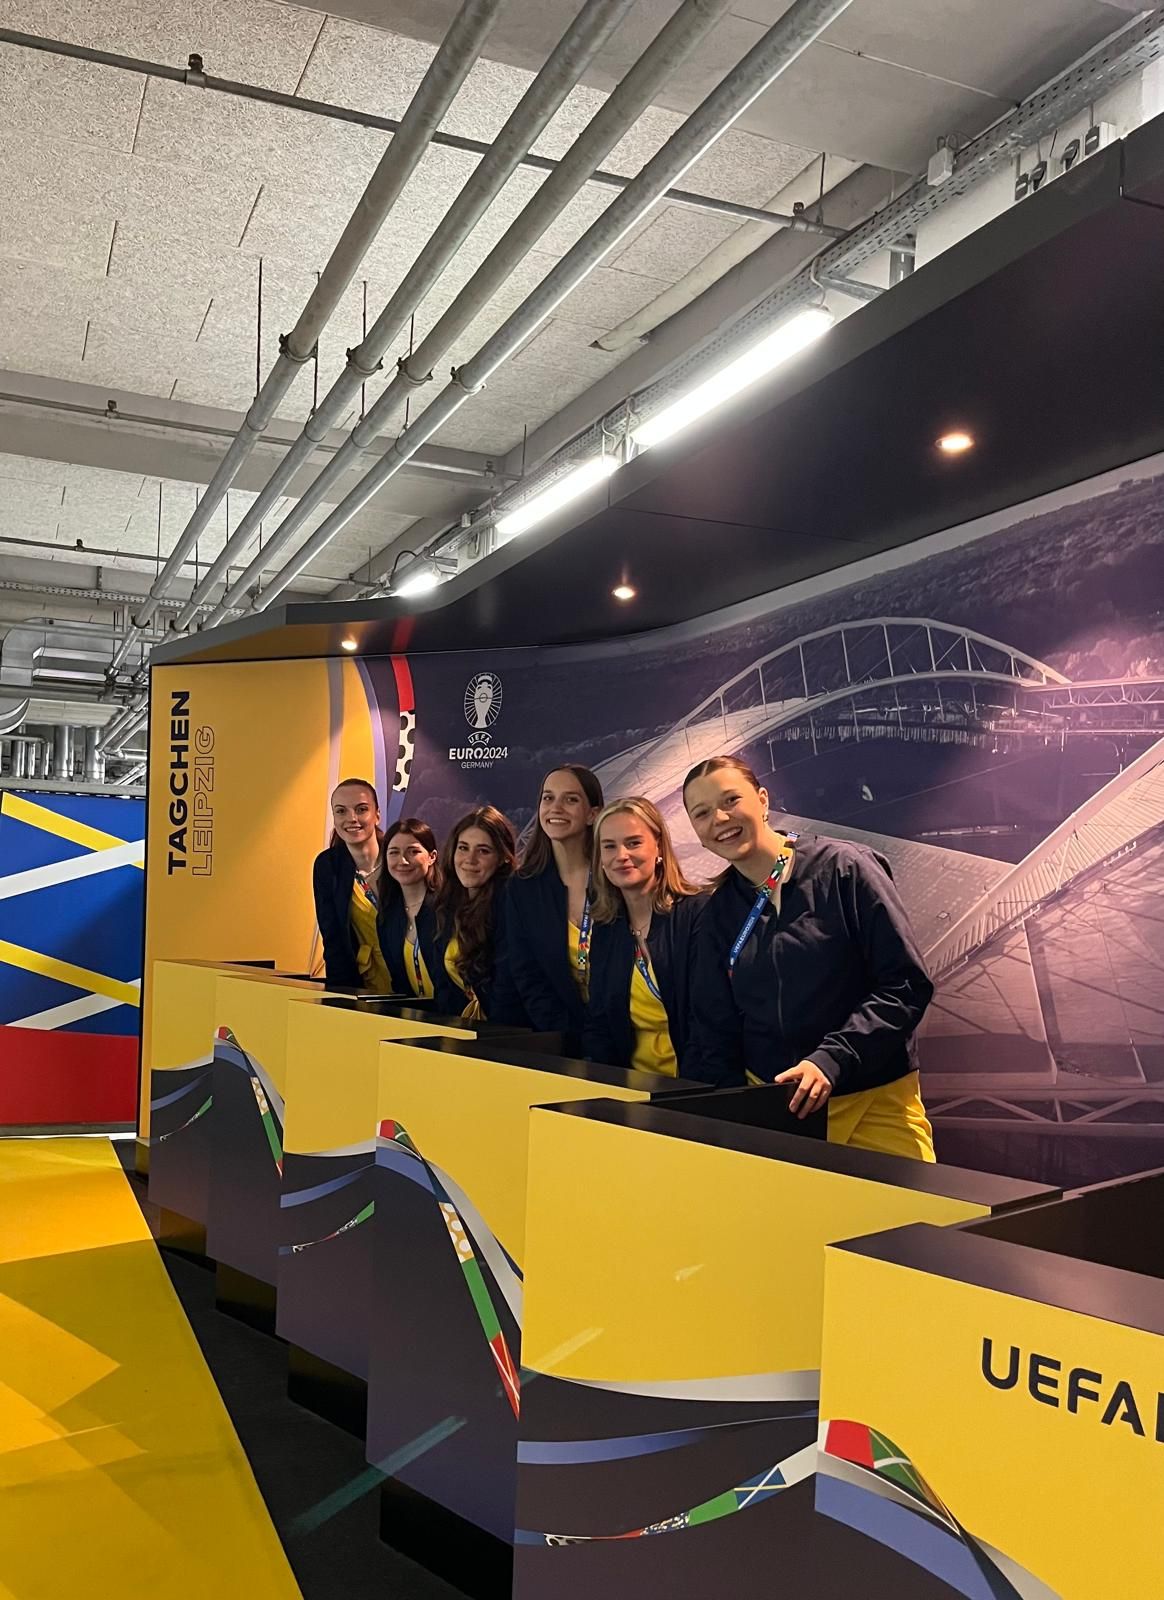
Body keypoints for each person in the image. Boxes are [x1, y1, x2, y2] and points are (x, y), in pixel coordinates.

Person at [682, 756, 935, 1161]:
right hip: (779, 1110)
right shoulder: (716, 914)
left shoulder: (847, 868)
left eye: (731, 800)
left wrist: (832, 1059)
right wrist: (732, 1112)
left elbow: (905, 986)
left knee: (903, 1202)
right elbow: (714, 1028)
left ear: (763, 800)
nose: (720, 818)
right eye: (702, 812)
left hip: (874, 1099)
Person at [584, 798, 706, 1078]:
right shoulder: (606, 926)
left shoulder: (696, 913)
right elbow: (599, 1022)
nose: (621, 855)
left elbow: (708, 1021)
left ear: (659, 847)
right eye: (609, 846)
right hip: (628, 1086)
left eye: (634, 843)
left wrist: (688, 1093)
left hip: (691, 1084)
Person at [508, 765, 604, 1055]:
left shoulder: (615, 878)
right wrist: (566, 1039)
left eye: (571, 799)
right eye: (548, 798)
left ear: (593, 814)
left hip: (621, 1038)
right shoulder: (522, 888)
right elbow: (527, 975)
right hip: (558, 1041)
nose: (556, 808)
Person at [433, 806, 526, 1024]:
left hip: (504, 1031)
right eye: (463, 848)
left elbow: (507, 993)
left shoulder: (509, 904)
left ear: (502, 858)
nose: (470, 859)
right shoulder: (448, 902)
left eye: (483, 851)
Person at [312, 777, 391, 993]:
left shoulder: (400, 859)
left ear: (377, 814)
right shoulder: (328, 866)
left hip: (416, 980)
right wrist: (341, 999)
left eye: (361, 809)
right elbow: (333, 940)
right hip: (364, 984)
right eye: (341, 811)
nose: (352, 818)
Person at [380, 818, 442, 1000]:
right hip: (414, 1014)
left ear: (432, 857)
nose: (403, 861)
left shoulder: (447, 908)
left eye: (413, 851)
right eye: (394, 852)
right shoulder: (387, 916)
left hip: (456, 1014)